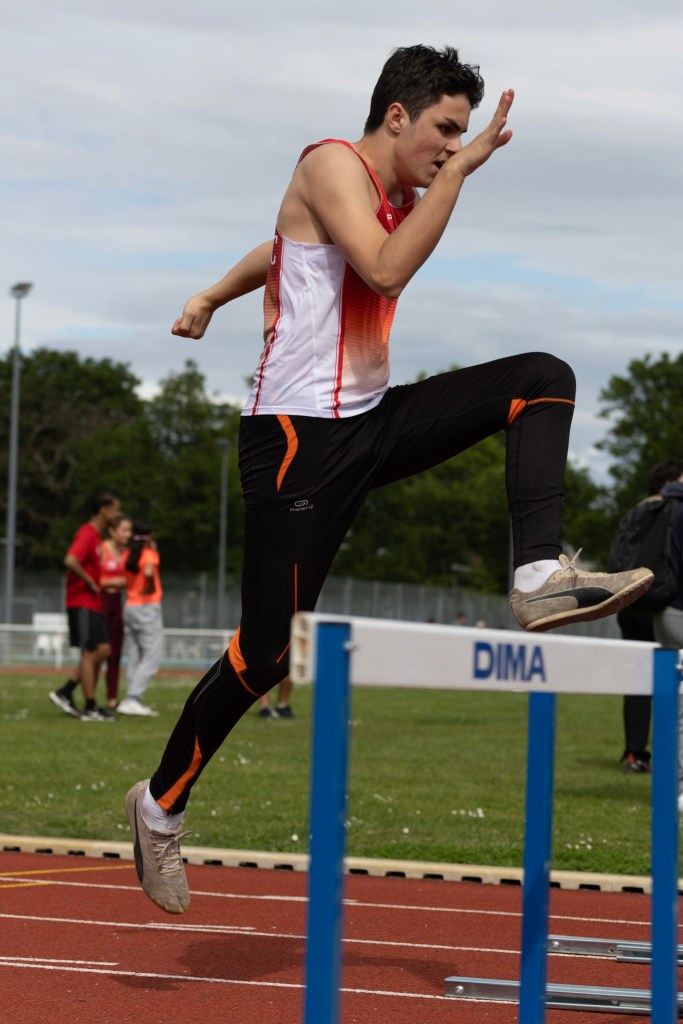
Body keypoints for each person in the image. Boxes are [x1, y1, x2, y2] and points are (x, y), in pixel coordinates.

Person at [126, 44, 652, 914]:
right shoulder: (329, 162)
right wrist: (461, 176)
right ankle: (158, 806)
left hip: (369, 422)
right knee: (265, 653)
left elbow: (279, 251)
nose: (451, 146)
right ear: (397, 115)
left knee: (541, 377)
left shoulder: (394, 194)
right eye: (444, 129)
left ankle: (535, 575)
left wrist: (213, 294)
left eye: (460, 134)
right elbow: (383, 267)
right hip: (296, 441)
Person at [614, 460, 683, 774]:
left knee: (638, 680)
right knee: (672, 682)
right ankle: (671, 757)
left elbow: (617, 557)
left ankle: (636, 753)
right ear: (669, 482)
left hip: (632, 603)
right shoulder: (673, 509)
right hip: (665, 601)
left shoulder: (633, 513)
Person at [49, 491, 120, 722]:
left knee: (103, 650)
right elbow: (70, 560)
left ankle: (67, 690)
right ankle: (90, 706)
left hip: (93, 603)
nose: (117, 514)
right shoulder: (87, 533)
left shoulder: (97, 536)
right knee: (89, 653)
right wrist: (89, 581)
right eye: (115, 510)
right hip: (81, 602)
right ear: (103, 510)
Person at [650, 467, 683, 809]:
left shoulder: (662, 504)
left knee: (670, 703)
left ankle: (668, 783)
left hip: (663, 608)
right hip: (681, 610)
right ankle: (677, 788)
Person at [117, 522, 163, 717]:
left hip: (130, 606)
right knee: (152, 656)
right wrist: (150, 586)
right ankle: (133, 698)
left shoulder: (127, 554)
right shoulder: (149, 554)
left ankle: (130, 699)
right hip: (146, 606)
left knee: (135, 654)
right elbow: (149, 572)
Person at [99, 514, 133, 711]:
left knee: (116, 653)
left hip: (118, 603)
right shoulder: (102, 549)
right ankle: (89, 698)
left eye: (130, 530)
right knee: (98, 652)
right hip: (101, 602)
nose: (128, 534)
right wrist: (117, 582)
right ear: (112, 531)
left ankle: (112, 698)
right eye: (124, 530)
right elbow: (93, 580)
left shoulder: (126, 553)